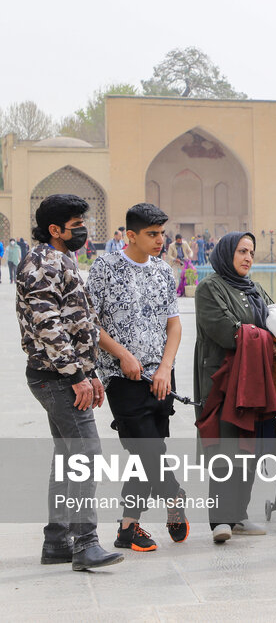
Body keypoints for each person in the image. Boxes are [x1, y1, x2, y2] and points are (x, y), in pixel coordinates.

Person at [16, 193, 124, 571]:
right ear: (54, 229)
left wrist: (89, 373)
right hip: (57, 376)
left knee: (67, 457)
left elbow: (77, 323)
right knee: (87, 454)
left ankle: (58, 541)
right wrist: (77, 376)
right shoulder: (43, 262)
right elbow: (49, 326)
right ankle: (85, 543)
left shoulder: (60, 259)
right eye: (76, 224)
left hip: (61, 374)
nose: (83, 230)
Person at [85, 203, 189, 551]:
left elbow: (174, 324)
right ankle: (174, 495)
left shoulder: (163, 270)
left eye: (162, 233)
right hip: (121, 377)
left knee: (147, 454)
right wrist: (122, 354)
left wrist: (165, 368)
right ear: (131, 235)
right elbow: (90, 323)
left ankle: (128, 528)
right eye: (152, 234)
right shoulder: (105, 268)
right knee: (148, 449)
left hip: (160, 379)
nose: (161, 240)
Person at [193, 231, 274, 544]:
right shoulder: (209, 288)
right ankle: (220, 520)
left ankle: (238, 515)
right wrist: (266, 335)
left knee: (248, 447)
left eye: (251, 252)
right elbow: (229, 332)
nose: (247, 258)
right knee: (225, 447)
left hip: (253, 380)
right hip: (221, 382)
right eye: (241, 251)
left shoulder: (254, 289)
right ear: (227, 253)